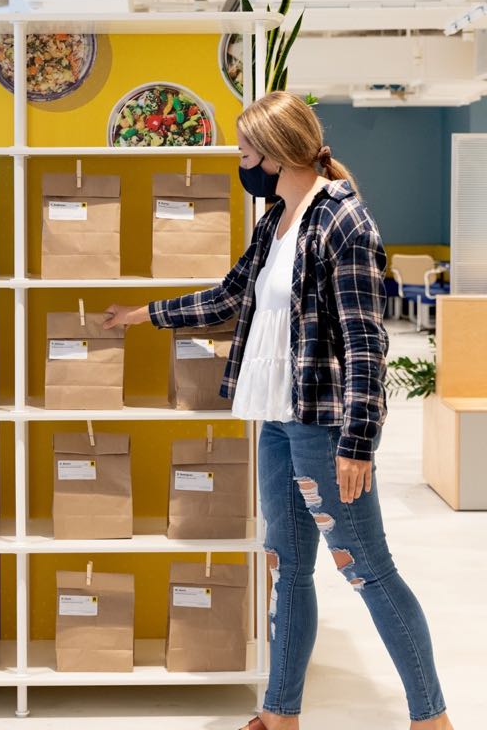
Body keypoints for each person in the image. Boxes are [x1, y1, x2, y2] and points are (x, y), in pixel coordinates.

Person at [103, 91, 453, 730]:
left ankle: (431, 719)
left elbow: (365, 338)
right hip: (276, 422)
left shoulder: (342, 222)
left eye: (244, 151)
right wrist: (144, 315)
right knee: (288, 570)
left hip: (322, 428)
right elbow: (228, 296)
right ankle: (280, 713)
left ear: (278, 151)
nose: (240, 161)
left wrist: (357, 443)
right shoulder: (278, 219)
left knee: (368, 571)